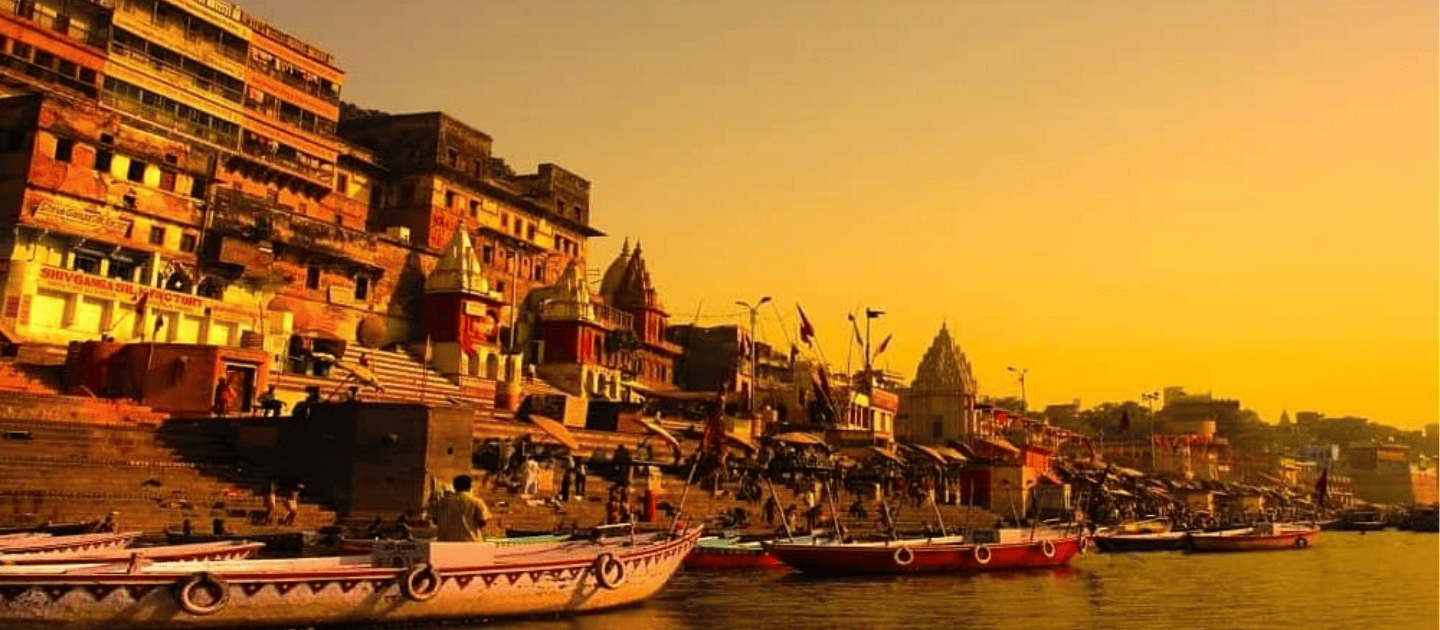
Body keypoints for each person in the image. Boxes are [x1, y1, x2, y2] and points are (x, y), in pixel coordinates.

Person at [431, 475, 492, 542]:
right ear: (471, 486)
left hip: (446, 542)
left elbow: (435, 521)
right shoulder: (476, 502)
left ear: (454, 486)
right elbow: (483, 521)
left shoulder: (442, 502)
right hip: (470, 542)